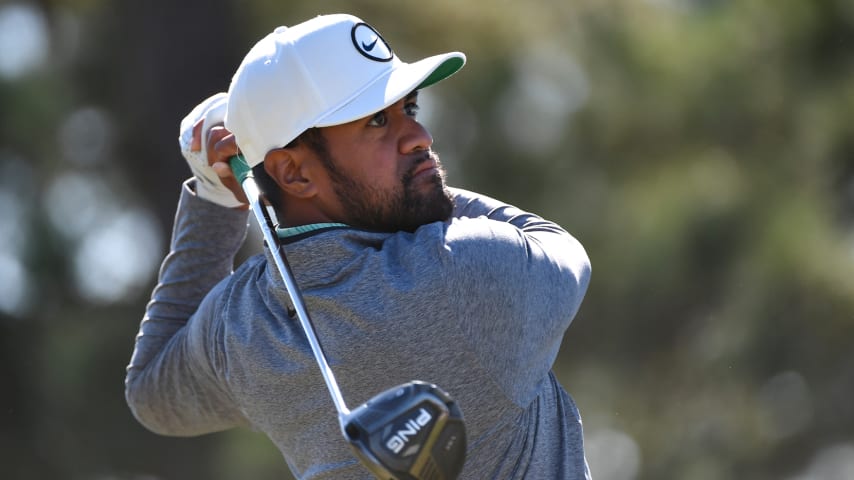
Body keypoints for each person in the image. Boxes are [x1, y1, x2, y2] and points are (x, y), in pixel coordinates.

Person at [125, 13, 593, 480]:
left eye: (409, 110)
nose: (420, 138)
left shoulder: (242, 327)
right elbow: (562, 248)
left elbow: (151, 395)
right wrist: (425, 187)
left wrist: (214, 196)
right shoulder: (463, 266)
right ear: (294, 173)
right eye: (376, 121)